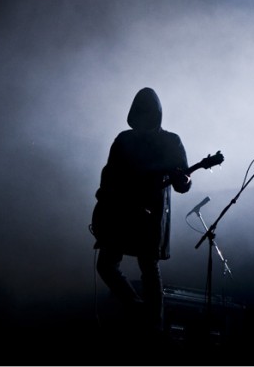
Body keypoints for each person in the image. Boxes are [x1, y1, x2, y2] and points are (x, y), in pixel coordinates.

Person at [90, 87, 192, 338]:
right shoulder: (124, 139)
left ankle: (154, 328)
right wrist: (104, 201)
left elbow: (183, 185)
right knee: (107, 265)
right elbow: (108, 174)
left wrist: (182, 180)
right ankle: (139, 310)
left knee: (148, 266)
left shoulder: (171, 141)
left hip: (150, 215)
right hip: (120, 214)